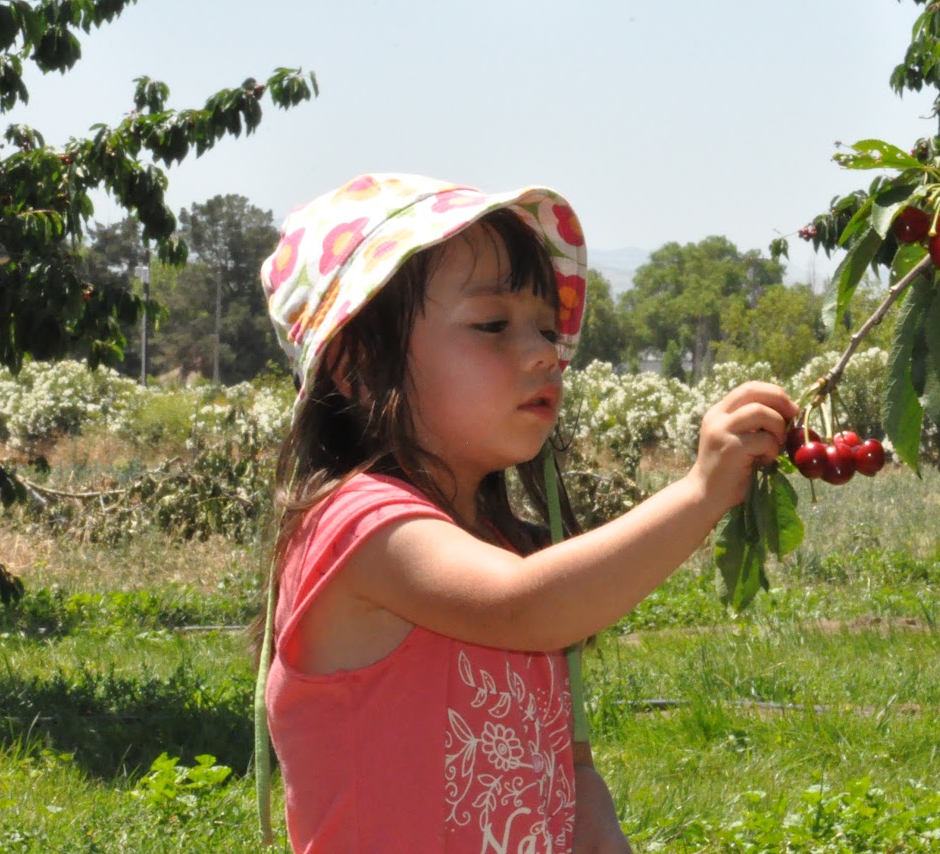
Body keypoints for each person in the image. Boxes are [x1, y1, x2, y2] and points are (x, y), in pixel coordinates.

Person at [254, 173, 797, 852]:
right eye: (492, 325)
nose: (545, 351)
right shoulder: (359, 529)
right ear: (357, 363)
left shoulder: (506, 543)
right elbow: (520, 606)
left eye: (546, 327)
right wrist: (699, 492)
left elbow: (568, 768)